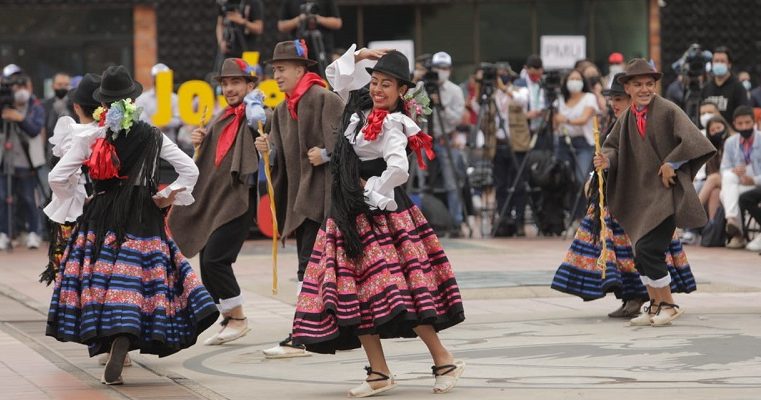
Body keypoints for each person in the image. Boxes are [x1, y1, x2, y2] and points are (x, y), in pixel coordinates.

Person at [291, 44, 465, 397]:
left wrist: (368, 188)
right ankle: (379, 372)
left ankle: (445, 360)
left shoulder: (395, 124)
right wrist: (359, 57)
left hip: (384, 217)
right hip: (347, 216)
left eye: (387, 84)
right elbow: (336, 80)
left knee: (401, 294)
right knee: (355, 296)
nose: (377, 89)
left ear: (402, 92)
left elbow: (398, 169)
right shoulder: (357, 114)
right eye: (376, 82)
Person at [45, 65, 219, 385]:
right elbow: (189, 170)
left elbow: (56, 176)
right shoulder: (153, 136)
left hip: (101, 215)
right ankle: (127, 334)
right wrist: (166, 197)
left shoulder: (92, 135)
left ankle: (113, 340)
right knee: (138, 281)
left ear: (103, 102)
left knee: (102, 279)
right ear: (132, 99)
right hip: (143, 215)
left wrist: (76, 198)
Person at [552, 72, 696, 318]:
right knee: (629, 255)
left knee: (643, 251)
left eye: (618, 99)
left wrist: (669, 165)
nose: (614, 104)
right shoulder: (620, 123)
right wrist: (598, 171)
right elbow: (612, 152)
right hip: (618, 202)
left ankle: (661, 303)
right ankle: (642, 299)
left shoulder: (659, 117)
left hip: (649, 201)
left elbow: (682, 145)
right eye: (612, 99)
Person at [594, 59, 715, 327]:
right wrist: (606, 160)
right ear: (627, 88)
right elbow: (613, 147)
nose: (645, 89)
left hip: (667, 193)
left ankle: (669, 305)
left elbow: (696, 141)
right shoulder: (626, 117)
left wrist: (672, 162)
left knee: (649, 249)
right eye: (638, 84)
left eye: (649, 84)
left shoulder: (668, 110)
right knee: (640, 253)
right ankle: (655, 305)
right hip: (642, 196)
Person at [255, 40, 344, 358]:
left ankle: (303, 333)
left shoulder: (325, 98)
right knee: (315, 267)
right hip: (300, 196)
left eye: (281, 69)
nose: (276, 75)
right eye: (274, 69)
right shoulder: (281, 108)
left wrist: (327, 153)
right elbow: (280, 153)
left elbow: (346, 145)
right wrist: (268, 150)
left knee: (309, 266)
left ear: (300, 68)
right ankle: (323, 330)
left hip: (322, 198)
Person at [168, 58, 266, 345]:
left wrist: (259, 119)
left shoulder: (255, 113)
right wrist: (201, 140)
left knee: (215, 259)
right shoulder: (222, 116)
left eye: (236, 82)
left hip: (238, 199)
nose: (230, 88)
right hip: (217, 199)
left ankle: (237, 318)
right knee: (208, 258)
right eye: (225, 83)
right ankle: (229, 316)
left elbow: (264, 129)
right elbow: (210, 158)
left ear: (250, 85)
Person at [0, 65, 46, 250]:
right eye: (13, 85)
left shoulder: (35, 105)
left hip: (28, 161)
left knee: (29, 199)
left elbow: (35, 129)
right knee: (3, 198)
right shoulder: (3, 104)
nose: (18, 89)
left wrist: (19, 118)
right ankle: (4, 233)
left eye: (21, 84)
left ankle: (34, 232)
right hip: (5, 160)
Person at [426, 51, 466, 237]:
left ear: (449, 70)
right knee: (417, 181)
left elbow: (456, 120)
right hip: (423, 141)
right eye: (436, 68)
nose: (440, 72)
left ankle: (455, 222)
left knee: (452, 183)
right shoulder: (421, 87)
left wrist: (441, 105)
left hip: (445, 141)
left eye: (444, 68)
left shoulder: (455, 91)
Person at [720, 106, 761, 249]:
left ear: (754, 122)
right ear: (734, 124)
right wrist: (733, 170)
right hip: (739, 183)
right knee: (728, 178)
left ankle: (738, 234)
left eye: (747, 123)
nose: (744, 127)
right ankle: (732, 220)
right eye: (740, 124)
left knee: (724, 194)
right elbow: (723, 169)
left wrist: (754, 180)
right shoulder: (731, 142)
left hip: (757, 184)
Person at [554, 69, 599, 188]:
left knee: (582, 177)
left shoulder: (589, 97)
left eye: (578, 79)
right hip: (564, 141)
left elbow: (583, 119)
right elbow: (554, 124)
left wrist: (565, 120)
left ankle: (585, 205)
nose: (575, 82)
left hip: (583, 143)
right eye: (572, 79)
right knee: (563, 177)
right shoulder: (559, 99)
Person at [278, 0, 342, 74]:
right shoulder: (290, 2)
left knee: (325, 74)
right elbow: (281, 26)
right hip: (299, 48)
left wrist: (317, 19)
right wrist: (299, 19)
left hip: (323, 49)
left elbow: (338, 23)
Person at [702, 46, 749, 122]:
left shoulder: (738, 88)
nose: (719, 64)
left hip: (732, 132)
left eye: (722, 61)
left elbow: (742, 115)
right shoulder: (706, 88)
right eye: (716, 61)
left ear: (729, 64)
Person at [42, 72, 73, 140]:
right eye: (59, 84)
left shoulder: (75, 104)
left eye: (66, 84)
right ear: (53, 86)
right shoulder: (45, 104)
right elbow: (43, 128)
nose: (63, 87)